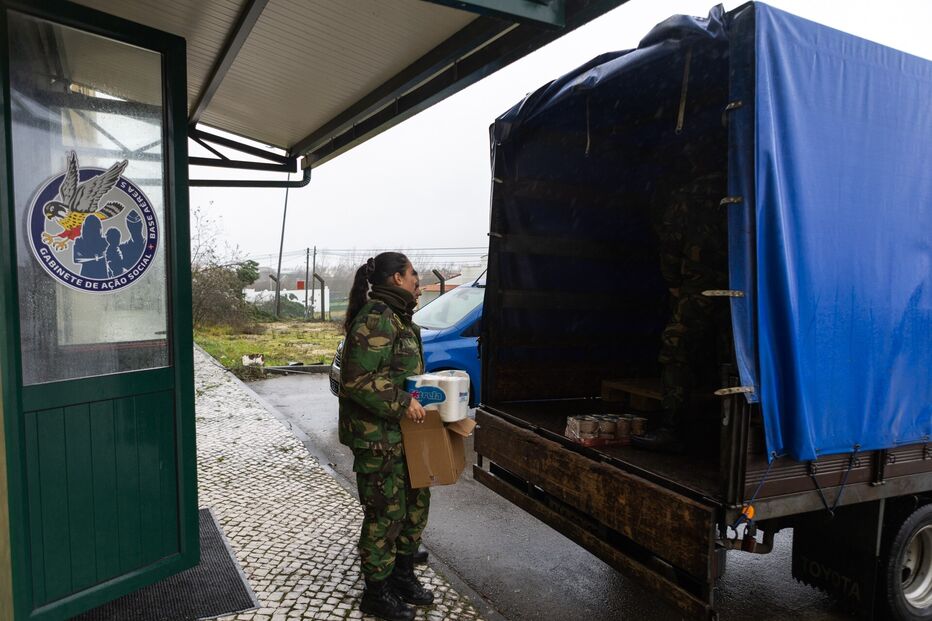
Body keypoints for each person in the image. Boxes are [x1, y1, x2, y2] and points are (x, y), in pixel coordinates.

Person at [338, 252, 432, 621]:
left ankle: (402, 575)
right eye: (413, 275)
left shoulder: (398, 318)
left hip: (402, 435)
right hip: (377, 439)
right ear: (396, 278)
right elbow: (357, 380)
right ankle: (376, 593)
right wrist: (401, 402)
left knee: (414, 504)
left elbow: (396, 372)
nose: (417, 281)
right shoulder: (376, 318)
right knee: (386, 515)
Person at [634, 167, 729, 453]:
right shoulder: (755, 183)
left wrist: (675, 283)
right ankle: (731, 432)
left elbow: (671, 242)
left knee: (677, 351)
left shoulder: (690, 193)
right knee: (732, 359)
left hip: (699, 289)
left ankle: (672, 428)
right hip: (743, 292)